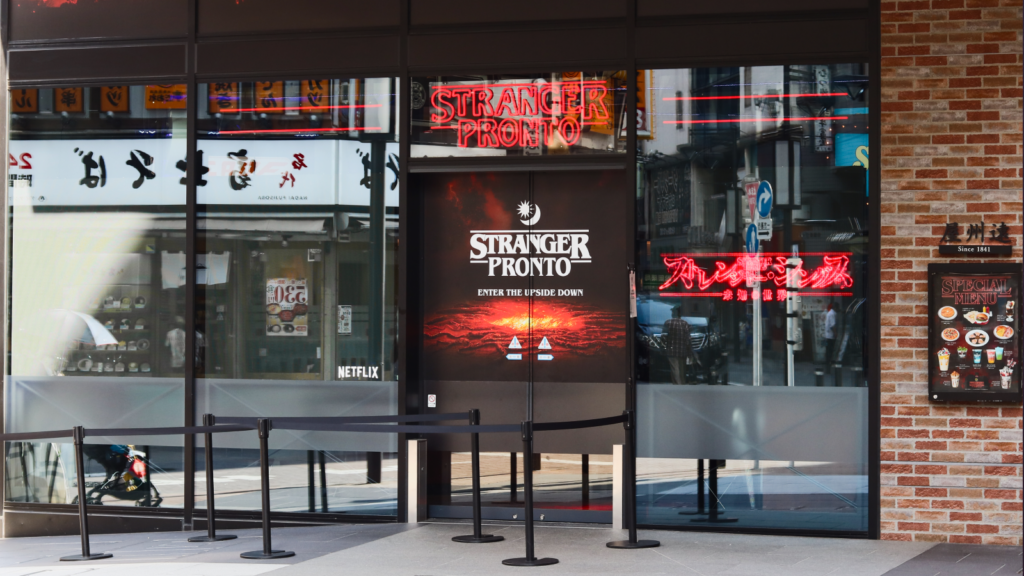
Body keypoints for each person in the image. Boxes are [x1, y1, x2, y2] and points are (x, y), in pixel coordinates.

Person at [662, 307, 697, 385]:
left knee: (674, 368)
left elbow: (663, 337)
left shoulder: (668, 323)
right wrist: (689, 350)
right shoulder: (685, 323)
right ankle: (682, 383)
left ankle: (677, 384)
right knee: (682, 369)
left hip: (671, 350)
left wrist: (667, 343)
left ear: (673, 313)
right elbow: (688, 339)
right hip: (682, 350)